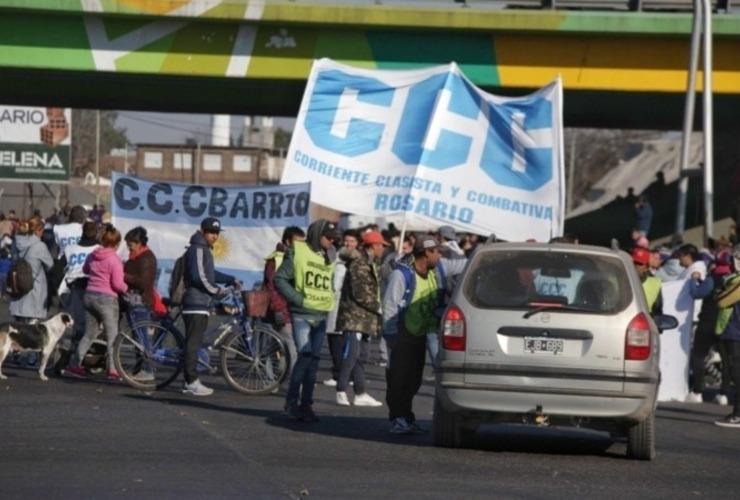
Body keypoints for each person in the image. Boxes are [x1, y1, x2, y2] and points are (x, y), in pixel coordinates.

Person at [275, 219, 340, 422]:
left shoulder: (331, 255)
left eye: (333, 238)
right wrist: (297, 299)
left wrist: (328, 294)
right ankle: (291, 402)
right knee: (305, 355)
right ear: (317, 234)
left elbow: (328, 281)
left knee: (313, 362)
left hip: (321, 315)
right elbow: (279, 279)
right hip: (302, 314)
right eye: (328, 237)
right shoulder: (297, 251)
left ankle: (307, 405)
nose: (331, 241)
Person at [382, 234, 445, 434]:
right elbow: (390, 306)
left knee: (413, 380)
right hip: (401, 334)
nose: (440, 256)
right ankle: (397, 418)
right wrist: (391, 338)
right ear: (427, 253)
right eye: (437, 252)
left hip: (420, 334)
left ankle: (407, 417)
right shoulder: (401, 275)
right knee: (398, 379)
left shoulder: (432, 274)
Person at [180, 217, 240, 396]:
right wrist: (216, 291)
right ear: (202, 231)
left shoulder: (204, 249)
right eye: (211, 232)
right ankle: (191, 381)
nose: (214, 236)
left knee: (195, 342)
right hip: (195, 302)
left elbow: (210, 274)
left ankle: (189, 379)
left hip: (201, 302)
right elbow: (199, 277)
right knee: (193, 343)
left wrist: (230, 279)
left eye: (216, 233)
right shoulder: (198, 249)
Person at [64, 224, 128, 380]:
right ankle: (113, 369)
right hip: (107, 299)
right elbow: (118, 285)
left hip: (89, 295)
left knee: (89, 333)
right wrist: (127, 288)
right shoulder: (115, 260)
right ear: (116, 243)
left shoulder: (93, 255)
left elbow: (86, 270)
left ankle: (74, 364)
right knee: (112, 335)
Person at [334, 230, 387, 407]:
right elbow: (360, 293)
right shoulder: (359, 263)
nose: (383, 249)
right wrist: (379, 307)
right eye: (381, 245)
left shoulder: (374, 263)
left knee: (363, 355)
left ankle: (360, 392)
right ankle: (341, 390)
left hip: (366, 318)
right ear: (373, 246)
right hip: (353, 317)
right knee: (352, 354)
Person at [263, 225, 306, 383]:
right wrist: (278, 309)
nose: (301, 246)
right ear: (288, 241)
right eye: (298, 242)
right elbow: (272, 287)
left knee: (276, 346)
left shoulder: (295, 258)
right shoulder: (278, 259)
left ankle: (272, 380)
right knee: (291, 350)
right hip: (282, 311)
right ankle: (295, 384)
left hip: (291, 311)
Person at [324, 229, 360, 387]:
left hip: (351, 306)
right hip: (334, 303)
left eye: (352, 241)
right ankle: (338, 372)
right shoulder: (336, 258)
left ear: (357, 243)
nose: (349, 244)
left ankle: (345, 375)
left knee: (348, 342)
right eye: (347, 241)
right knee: (334, 339)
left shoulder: (360, 260)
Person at [59, 221, 100, 347]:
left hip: (73, 288)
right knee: (91, 325)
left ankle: (71, 353)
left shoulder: (70, 248)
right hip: (93, 289)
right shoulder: (100, 250)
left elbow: (59, 268)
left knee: (74, 325)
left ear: (82, 232)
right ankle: (82, 356)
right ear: (96, 233)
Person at [714, 245, 740, 428]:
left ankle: (738, 414)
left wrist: (721, 289)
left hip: (736, 333)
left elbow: (722, 301)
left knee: (736, 375)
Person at [9, 216, 54, 323]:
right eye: (42, 231)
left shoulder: (15, 244)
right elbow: (50, 265)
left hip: (17, 291)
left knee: (17, 333)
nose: (42, 234)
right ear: (37, 231)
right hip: (34, 292)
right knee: (31, 334)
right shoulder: (39, 246)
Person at [632, 247, 663, 314]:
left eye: (640, 263)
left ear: (647, 266)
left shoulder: (655, 282)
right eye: (634, 262)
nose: (636, 266)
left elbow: (658, 310)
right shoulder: (619, 277)